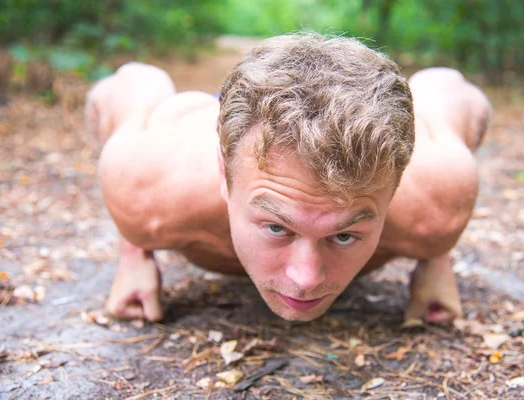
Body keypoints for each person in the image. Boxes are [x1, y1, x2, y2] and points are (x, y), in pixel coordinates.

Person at [86, 33, 491, 324]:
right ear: (223, 176)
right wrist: (134, 250)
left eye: (344, 235)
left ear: (396, 189)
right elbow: (128, 82)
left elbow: (450, 87)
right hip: (191, 132)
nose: (305, 279)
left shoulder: (437, 202)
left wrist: (436, 255)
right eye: (277, 227)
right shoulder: (144, 188)